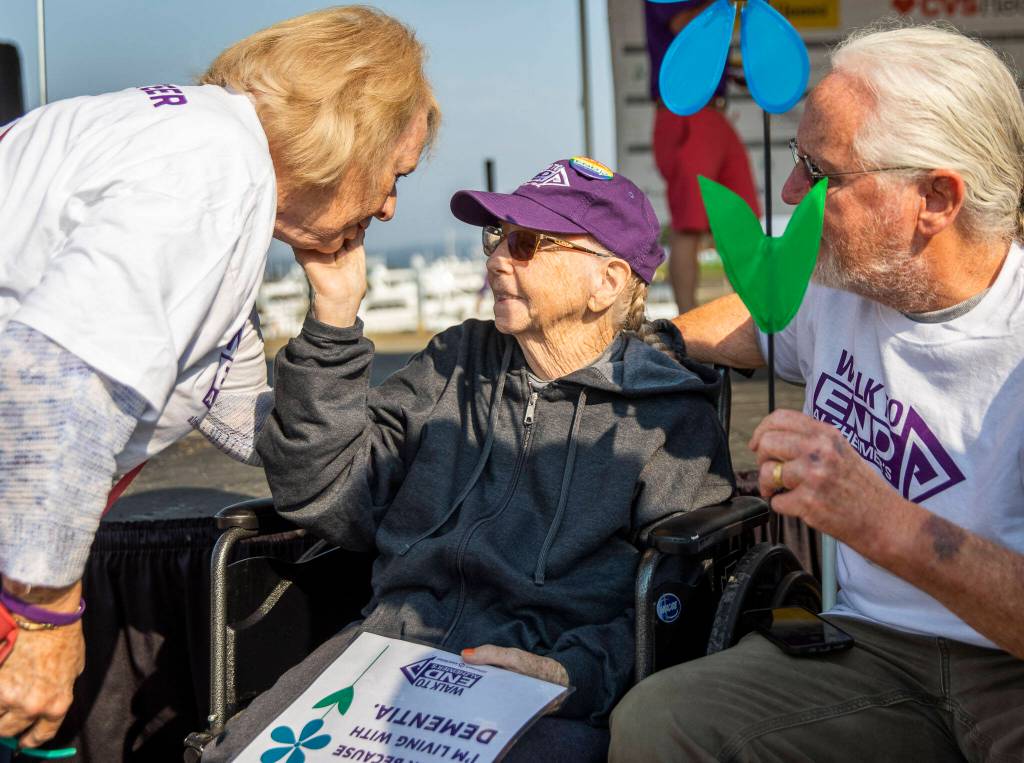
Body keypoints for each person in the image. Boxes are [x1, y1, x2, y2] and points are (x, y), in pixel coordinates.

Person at [0, 6, 439, 749]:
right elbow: (60, 380)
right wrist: (48, 622)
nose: (390, 206)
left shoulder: (211, 155)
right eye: (395, 174)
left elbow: (252, 425)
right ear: (352, 138)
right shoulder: (207, 175)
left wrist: (334, 318)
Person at [201, 158, 735, 761]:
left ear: (607, 282)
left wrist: (571, 676)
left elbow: (680, 604)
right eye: (498, 236)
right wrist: (334, 316)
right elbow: (323, 489)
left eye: (528, 242)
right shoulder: (455, 361)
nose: (499, 257)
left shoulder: (666, 417)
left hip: (547, 686)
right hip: (388, 650)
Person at [609, 25, 1024, 762]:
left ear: (935, 197)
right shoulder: (847, 279)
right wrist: (643, 341)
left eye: (819, 171)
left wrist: (880, 521)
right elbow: (751, 320)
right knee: (659, 719)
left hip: (1009, 666)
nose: (789, 193)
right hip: (872, 650)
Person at [645, 0, 760, 312]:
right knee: (689, 224)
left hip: (715, 113)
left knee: (742, 220)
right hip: (683, 112)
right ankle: (687, 329)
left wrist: (734, 70)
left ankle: (755, 318)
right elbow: (683, 23)